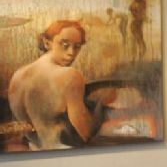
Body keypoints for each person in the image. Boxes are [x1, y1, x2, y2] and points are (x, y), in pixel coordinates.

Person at [7, 20, 115, 151]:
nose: (71, 52)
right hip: (64, 151)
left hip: (34, 151)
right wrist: (101, 105)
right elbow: (86, 132)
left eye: (77, 46)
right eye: (64, 45)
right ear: (47, 43)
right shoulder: (70, 76)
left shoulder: (18, 75)